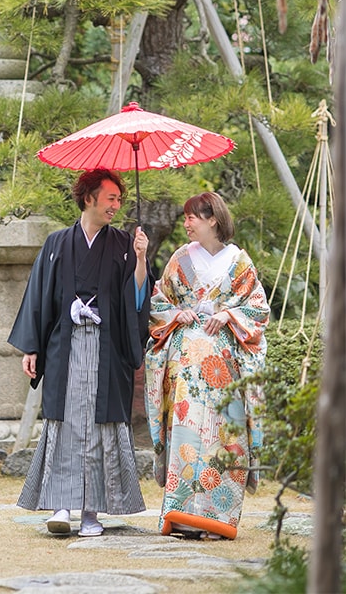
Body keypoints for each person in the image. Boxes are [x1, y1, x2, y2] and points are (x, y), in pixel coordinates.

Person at [8, 168, 154, 537]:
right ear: (89, 198)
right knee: (66, 423)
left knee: (98, 427)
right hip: (65, 347)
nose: (117, 206)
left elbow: (136, 299)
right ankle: (60, 505)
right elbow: (40, 298)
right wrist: (32, 347)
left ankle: (92, 511)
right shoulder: (57, 244)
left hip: (107, 349)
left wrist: (139, 259)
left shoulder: (124, 244)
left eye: (120, 200)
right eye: (111, 199)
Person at [144, 191, 270, 540]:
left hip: (224, 363)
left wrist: (228, 313)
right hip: (186, 364)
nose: (186, 223)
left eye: (192, 217)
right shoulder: (180, 260)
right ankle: (182, 516)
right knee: (185, 432)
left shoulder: (240, 263)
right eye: (185, 218)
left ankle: (219, 517)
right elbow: (158, 299)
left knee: (225, 434)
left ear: (213, 218)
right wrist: (176, 312)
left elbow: (258, 308)